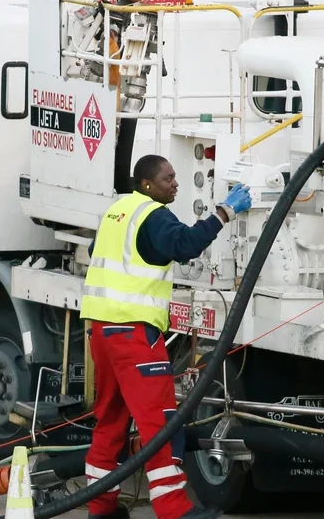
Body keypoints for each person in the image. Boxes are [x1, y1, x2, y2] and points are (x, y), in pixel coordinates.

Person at [79, 154, 252, 519]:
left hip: (102, 331)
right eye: (168, 178)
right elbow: (186, 245)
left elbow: (98, 252)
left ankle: (101, 508)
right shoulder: (153, 215)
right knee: (160, 425)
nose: (175, 183)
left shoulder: (118, 211)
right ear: (147, 184)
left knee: (110, 421)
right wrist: (225, 212)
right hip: (134, 334)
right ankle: (174, 511)